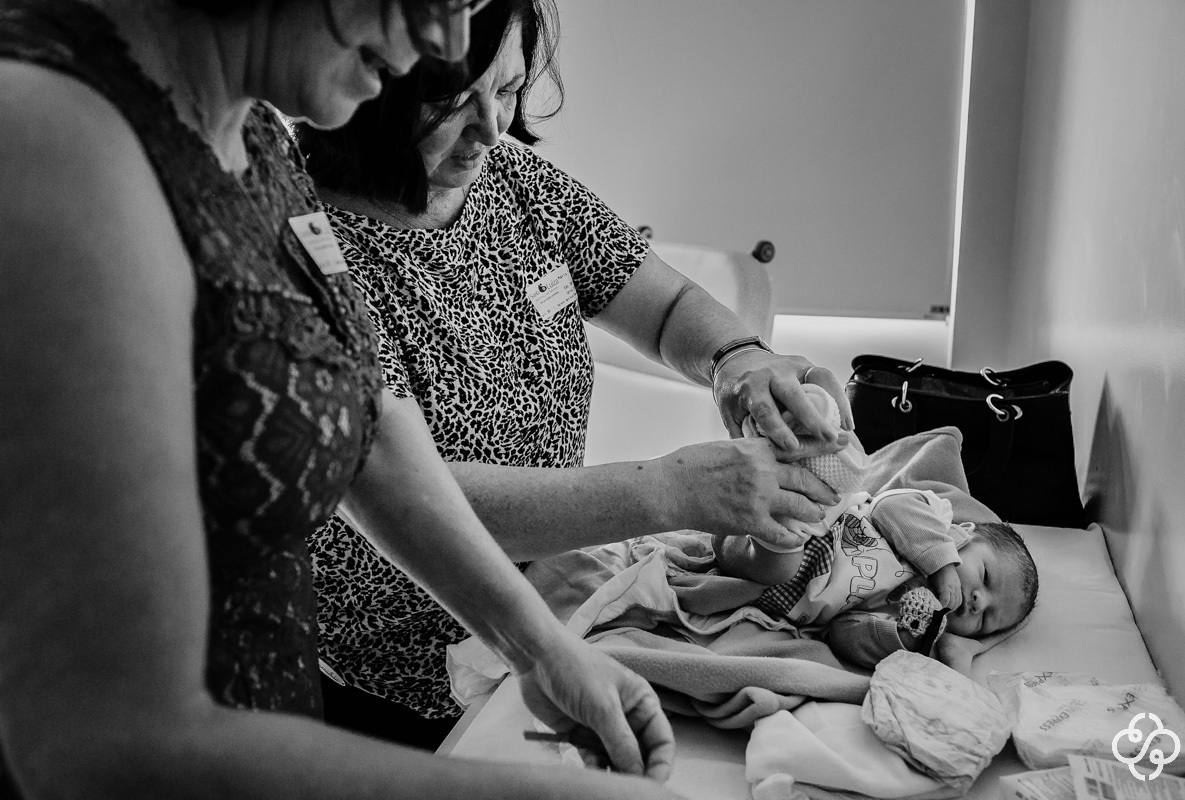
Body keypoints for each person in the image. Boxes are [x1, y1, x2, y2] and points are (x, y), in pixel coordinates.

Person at [0, 1, 682, 798]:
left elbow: (370, 422)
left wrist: (538, 649)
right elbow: (104, 741)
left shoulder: (250, 132)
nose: (445, 42)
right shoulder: (51, 136)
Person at [294, 0, 854, 747]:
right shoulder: (311, 244)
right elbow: (401, 488)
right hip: (405, 684)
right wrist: (666, 492)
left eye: (510, 90)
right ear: (375, 80)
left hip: (564, 617)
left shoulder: (517, 184)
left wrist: (738, 359)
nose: (491, 130)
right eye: (454, 102)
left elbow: (665, 305)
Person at [714, 487, 1040, 670]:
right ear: (963, 535)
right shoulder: (935, 520)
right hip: (820, 531)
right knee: (819, 498)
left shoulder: (910, 618)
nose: (979, 602)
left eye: (985, 620)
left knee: (775, 566)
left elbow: (842, 634)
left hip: (779, 590)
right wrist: (941, 563)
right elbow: (888, 506)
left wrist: (905, 637)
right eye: (985, 576)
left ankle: (748, 532)